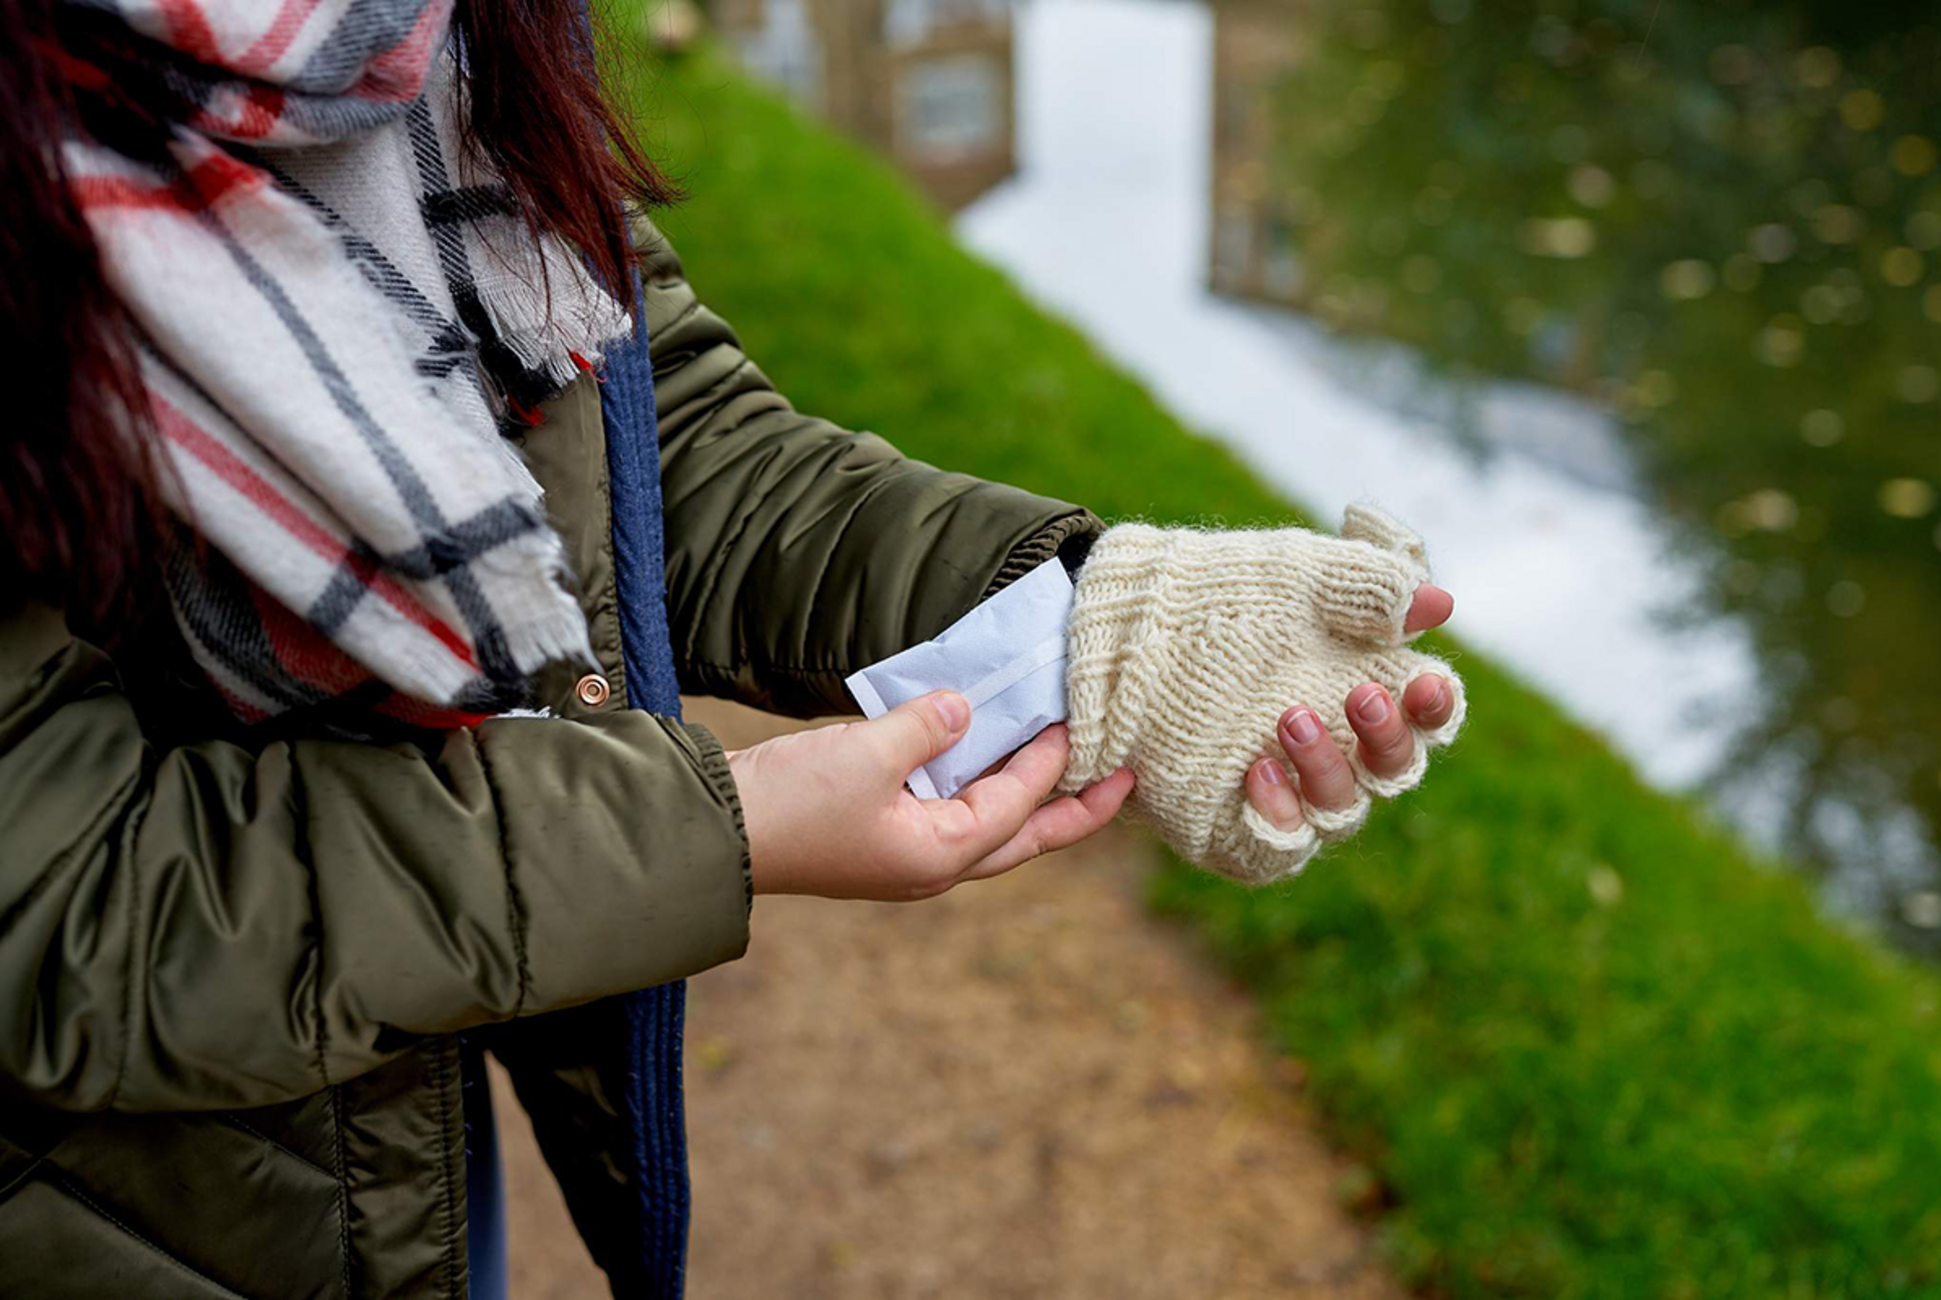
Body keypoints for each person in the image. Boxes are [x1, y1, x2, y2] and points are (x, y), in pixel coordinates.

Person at [0, 0, 1459, 1294]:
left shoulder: (420, 33)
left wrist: (1115, 620)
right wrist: (723, 835)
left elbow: (640, 446)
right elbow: (62, 898)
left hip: (369, 1140)